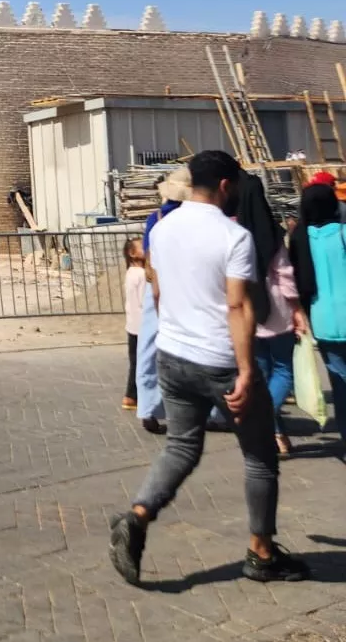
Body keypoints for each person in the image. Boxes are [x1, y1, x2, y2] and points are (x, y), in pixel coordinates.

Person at [109, 150, 308, 585]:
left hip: (174, 356)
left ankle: (138, 515)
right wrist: (246, 370)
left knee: (181, 446)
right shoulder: (233, 237)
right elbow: (237, 305)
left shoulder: (162, 229)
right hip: (221, 360)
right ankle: (261, 553)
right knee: (259, 457)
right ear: (225, 185)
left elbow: (158, 294)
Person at [236, 171, 304, 458]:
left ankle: (275, 435)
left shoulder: (230, 231)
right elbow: (285, 276)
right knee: (284, 371)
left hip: (245, 312)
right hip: (276, 312)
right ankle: (266, 424)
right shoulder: (270, 232)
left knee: (261, 376)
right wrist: (298, 308)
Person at [289, 182, 346, 444]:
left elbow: (297, 280)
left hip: (321, 318)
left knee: (339, 383)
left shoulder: (301, 238)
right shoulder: (343, 233)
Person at [136, 167, 190, 435]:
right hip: (187, 287)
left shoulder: (154, 218)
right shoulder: (191, 220)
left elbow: (147, 252)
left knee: (148, 346)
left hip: (155, 284)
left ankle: (147, 407)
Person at [122, 237, 146, 411]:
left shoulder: (130, 272)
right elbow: (145, 302)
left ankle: (131, 396)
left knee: (135, 362)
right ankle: (134, 396)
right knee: (143, 363)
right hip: (143, 326)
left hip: (132, 325)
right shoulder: (142, 274)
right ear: (132, 253)